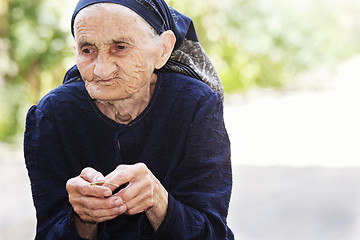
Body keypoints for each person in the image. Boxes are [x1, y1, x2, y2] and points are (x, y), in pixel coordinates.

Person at [24, 0, 234, 239]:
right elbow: (48, 232)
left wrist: (158, 201)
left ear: (163, 50)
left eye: (120, 47)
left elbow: (212, 232)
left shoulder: (196, 105)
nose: (101, 70)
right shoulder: (51, 115)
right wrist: (83, 218)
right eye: (87, 50)